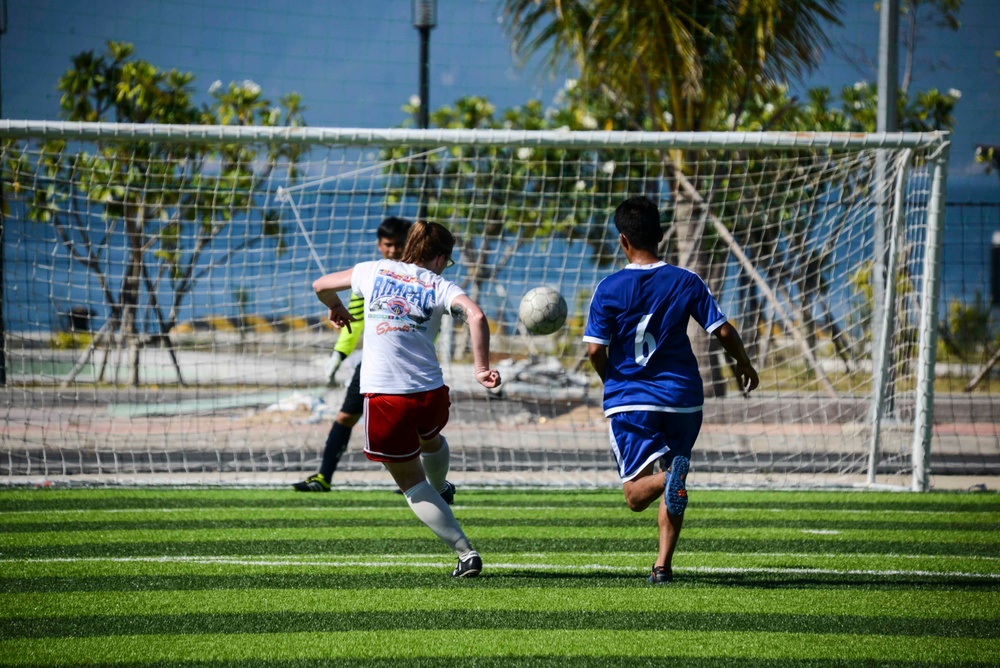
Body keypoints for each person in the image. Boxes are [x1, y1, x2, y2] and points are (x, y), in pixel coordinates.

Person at [583, 196, 759, 584]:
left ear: (622, 240)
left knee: (634, 495)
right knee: (675, 474)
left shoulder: (608, 288)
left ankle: (668, 477)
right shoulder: (686, 280)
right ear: (661, 236)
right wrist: (743, 363)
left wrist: (612, 379)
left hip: (631, 399)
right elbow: (723, 331)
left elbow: (596, 349)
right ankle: (662, 565)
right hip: (683, 399)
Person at [312, 221, 501, 577]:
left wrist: (336, 307)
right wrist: (481, 369)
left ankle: (466, 554)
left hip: (386, 397)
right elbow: (475, 315)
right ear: (441, 257)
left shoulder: (373, 270)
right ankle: (442, 487)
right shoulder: (440, 283)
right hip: (431, 394)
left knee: (411, 484)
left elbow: (320, 285)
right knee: (430, 440)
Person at [293, 216, 412, 493]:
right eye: (388, 244)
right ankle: (324, 477)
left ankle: (426, 481)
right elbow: (353, 321)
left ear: (409, 244)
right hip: (372, 363)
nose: (393, 250)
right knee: (346, 417)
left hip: (408, 364)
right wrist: (338, 355)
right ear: (379, 244)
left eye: (399, 244)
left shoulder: (418, 277)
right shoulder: (368, 276)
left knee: (414, 424)